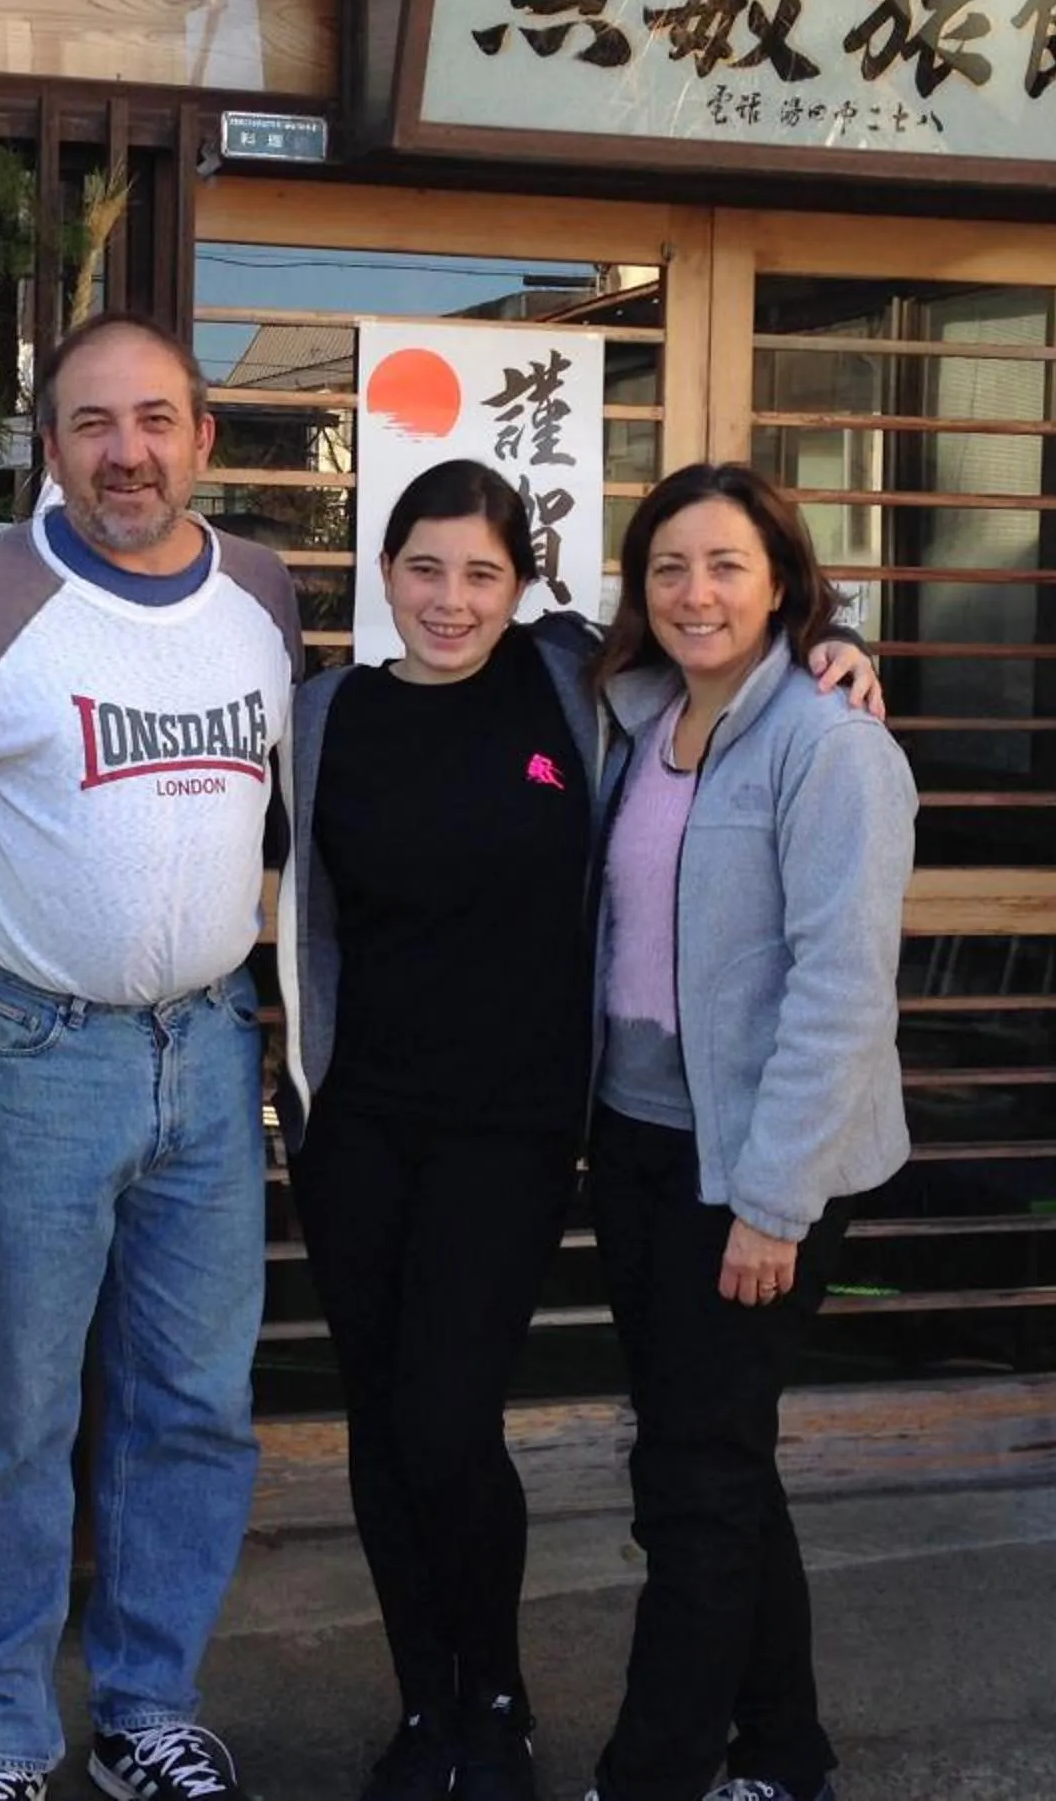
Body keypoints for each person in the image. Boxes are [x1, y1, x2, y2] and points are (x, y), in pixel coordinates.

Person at [277, 461, 880, 1801]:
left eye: (481, 571)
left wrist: (842, 642)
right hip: (365, 1126)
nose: (449, 597)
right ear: (383, 573)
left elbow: (746, 648)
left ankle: (505, 1703)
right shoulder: (324, 715)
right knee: (390, 1427)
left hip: (527, 1125)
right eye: (424, 568)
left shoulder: (578, 685)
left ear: (525, 585)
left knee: (461, 1417)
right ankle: (432, 1707)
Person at [0, 312, 299, 1801]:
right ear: (48, 444)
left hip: (208, 1051)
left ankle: (147, 1703)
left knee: (191, 1400)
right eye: (90, 423)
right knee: (18, 1410)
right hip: (30, 1049)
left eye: (154, 419)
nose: (125, 451)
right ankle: (1, 1720)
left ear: (202, 432)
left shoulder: (261, 591)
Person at [581, 465, 917, 1801]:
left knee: (692, 1486)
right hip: (642, 1140)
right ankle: (785, 1756)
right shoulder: (635, 714)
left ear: (783, 578)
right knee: (718, 1461)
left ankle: (651, 1772)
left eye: (726, 564)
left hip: (763, 1164)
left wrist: (773, 1202)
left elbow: (842, 986)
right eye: (669, 566)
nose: (696, 591)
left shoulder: (831, 745)